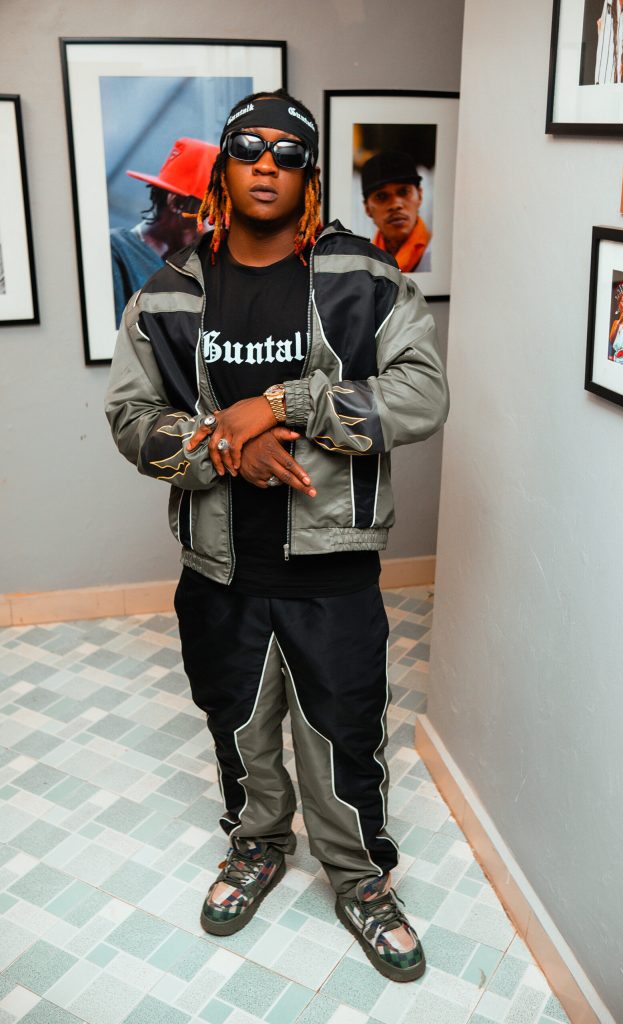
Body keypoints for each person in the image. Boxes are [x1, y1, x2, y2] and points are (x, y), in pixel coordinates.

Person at [105, 89, 448, 983]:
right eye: (248, 148)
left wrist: (284, 403)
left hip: (333, 566)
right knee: (236, 725)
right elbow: (131, 419)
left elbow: (421, 393)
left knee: (344, 732)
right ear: (222, 168)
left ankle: (359, 877)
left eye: (287, 152)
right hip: (219, 567)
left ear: (308, 174)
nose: (266, 163)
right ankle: (256, 843)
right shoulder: (170, 293)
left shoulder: (364, 278)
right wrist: (226, 446)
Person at [110, 137, 218, 323]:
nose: (217, 229)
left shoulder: (196, 266)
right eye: (212, 216)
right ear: (176, 203)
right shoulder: (116, 253)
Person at [362, 150, 432, 273]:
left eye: (404, 192)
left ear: (420, 196)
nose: (395, 205)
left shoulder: (438, 255)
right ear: (367, 208)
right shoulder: (361, 266)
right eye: (381, 196)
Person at [595, 0, 623, 84]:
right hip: (602, 78)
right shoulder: (608, 2)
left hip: (615, 80)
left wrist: (621, 66)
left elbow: (619, 46)